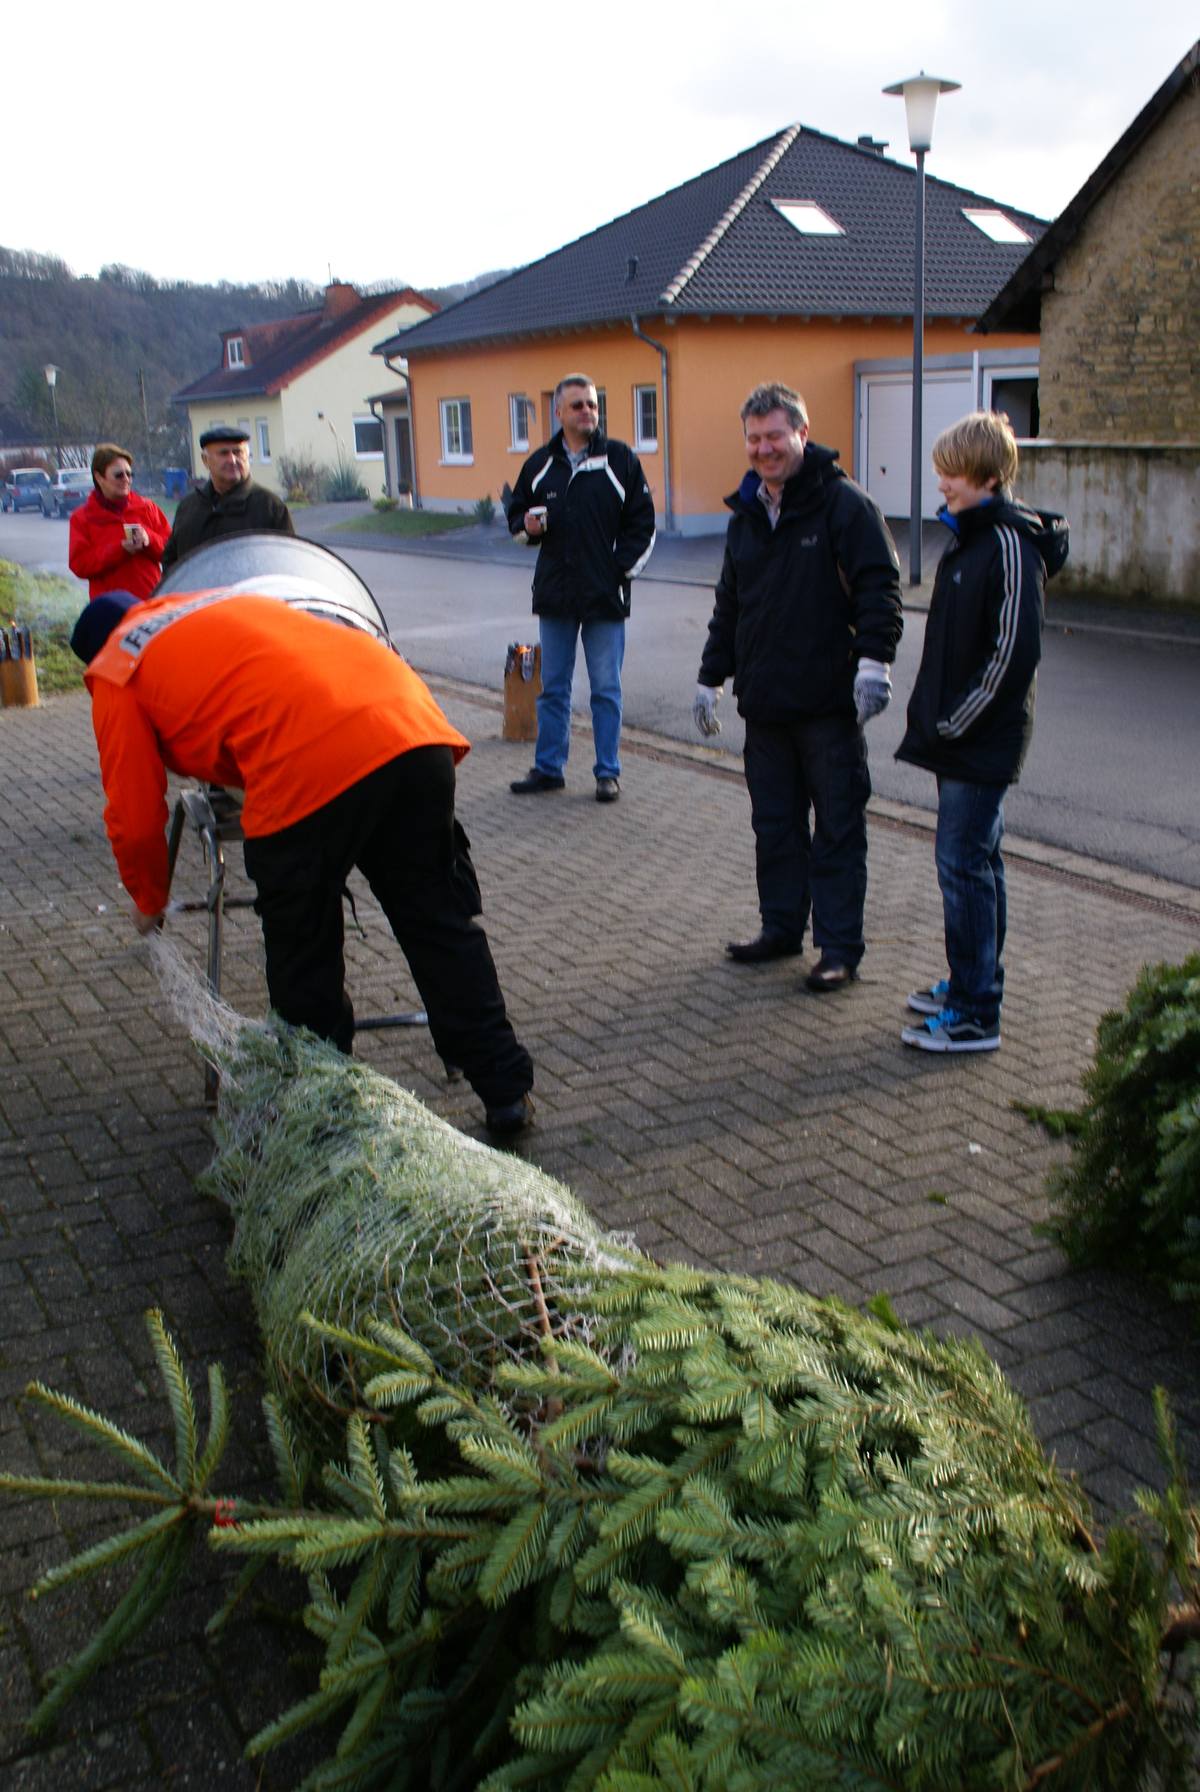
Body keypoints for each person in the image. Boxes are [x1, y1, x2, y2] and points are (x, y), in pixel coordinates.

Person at [69, 587, 535, 1135]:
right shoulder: (206, 604)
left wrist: (148, 898)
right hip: (409, 724)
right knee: (439, 923)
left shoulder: (115, 667)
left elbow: (133, 810)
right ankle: (505, 1091)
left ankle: (328, 1117)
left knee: (304, 951)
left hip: (309, 759)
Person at [694, 381, 902, 991]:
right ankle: (781, 927)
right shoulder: (747, 515)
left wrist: (874, 664)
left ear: (802, 434)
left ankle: (837, 948)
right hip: (766, 706)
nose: (764, 449)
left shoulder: (844, 506)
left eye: (775, 436)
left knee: (837, 828)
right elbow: (730, 604)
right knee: (775, 827)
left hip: (827, 707)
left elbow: (879, 591)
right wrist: (711, 677)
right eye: (754, 439)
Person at [897, 411, 1068, 1054]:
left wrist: (954, 724)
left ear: (989, 478)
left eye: (953, 474)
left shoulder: (1007, 545)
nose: (942, 483)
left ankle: (974, 1013)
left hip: (978, 742)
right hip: (962, 739)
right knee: (978, 863)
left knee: (963, 867)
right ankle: (972, 982)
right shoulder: (972, 537)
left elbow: (1011, 655)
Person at [506, 374, 655, 803]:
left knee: (605, 689)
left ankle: (608, 772)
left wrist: (617, 572)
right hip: (555, 596)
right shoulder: (539, 465)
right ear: (559, 412)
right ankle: (549, 768)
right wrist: (527, 528)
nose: (588, 412)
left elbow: (643, 525)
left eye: (592, 405)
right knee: (553, 687)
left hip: (604, 598)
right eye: (578, 406)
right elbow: (517, 519)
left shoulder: (620, 460)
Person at [160, 425, 293, 573]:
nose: (232, 460)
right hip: (197, 595)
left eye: (238, 452)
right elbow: (171, 565)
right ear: (205, 460)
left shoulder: (270, 507)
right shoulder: (188, 508)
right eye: (224, 453)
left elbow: (287, 566)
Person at [69, 444, 170, 603]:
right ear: (99, 477)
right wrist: (120, 549)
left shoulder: (147, 508)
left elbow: (172, 551)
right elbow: (79, 565)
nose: (126, 480)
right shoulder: (82, 518)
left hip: (150, 605)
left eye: (129, 474)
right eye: (119, 475)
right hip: (111, 610)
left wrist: (148, 539)